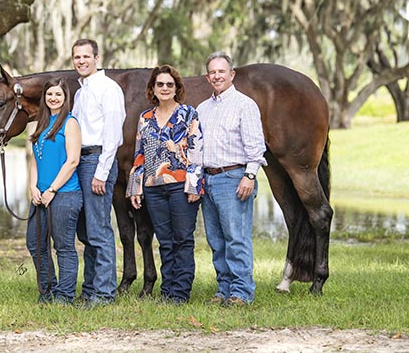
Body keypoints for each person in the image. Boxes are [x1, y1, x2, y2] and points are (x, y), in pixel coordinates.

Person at [126, 65, 203, 304]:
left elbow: (196, 151)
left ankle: (180, 293)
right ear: (153, 89)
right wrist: (135, 187)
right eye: (160, 84)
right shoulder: (145, 118)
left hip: (181, 186)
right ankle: (168, 290)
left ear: (177, 88)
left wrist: (194, 186)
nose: (165, 88)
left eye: (170, 84)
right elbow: (140, 154)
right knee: (165, 240)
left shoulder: (189, 114)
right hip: (153, 187)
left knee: (182, 238)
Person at [196, 52, 267, 307]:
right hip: (209, 178)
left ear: (231, 74)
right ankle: (224, 289)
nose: (217, 76)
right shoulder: (202, 109)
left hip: (234, 177)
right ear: (207, 77)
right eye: (212, 72)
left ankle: (241, 292)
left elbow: (256, 147)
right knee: (216, 240)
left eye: (221, 71)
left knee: (236, 237)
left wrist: (249, 176)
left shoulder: (244, 105)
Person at [71, 38, 126, 306]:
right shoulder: (80, 92)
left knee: (99, 230)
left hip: (96, 161)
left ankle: (105, 293)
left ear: (97, 58)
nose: (81, 61)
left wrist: (101, 173)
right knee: (84, 231)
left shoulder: (108, 88)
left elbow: (113, 134)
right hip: (78, 162)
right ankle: (91, 288)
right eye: (77, 57)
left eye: (86, 56)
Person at [27, 77, 83, 305]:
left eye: (58, 94)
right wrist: (33, 186)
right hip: (40, 196)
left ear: (65, 97)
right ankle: (47, 290)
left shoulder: (70, 123)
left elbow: (72, 161)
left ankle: (65, 295)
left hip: (64, 195)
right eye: (50, 94)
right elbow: (35, 159)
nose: (53, 98)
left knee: (63, 247)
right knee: (35, 243)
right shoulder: (41, 124)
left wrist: (52, 189)